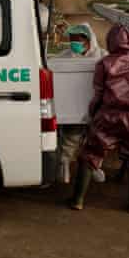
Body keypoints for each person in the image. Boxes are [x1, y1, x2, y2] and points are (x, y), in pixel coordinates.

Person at [70, 25, 129, 215]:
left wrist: (92, 115)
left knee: (90, 155)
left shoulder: (104, 63)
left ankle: (78, 199)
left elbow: (98, 94)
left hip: (109, 115)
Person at [56, 23, 107, 184]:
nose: (74, 44)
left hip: (96, 106)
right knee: (71, 137)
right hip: (73, 106)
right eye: (71, 40)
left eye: (77, 40)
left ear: (88, 40)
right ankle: (64, 166)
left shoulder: (102, 55)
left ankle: (94, 167)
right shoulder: (64, 56)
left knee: (96, 139)